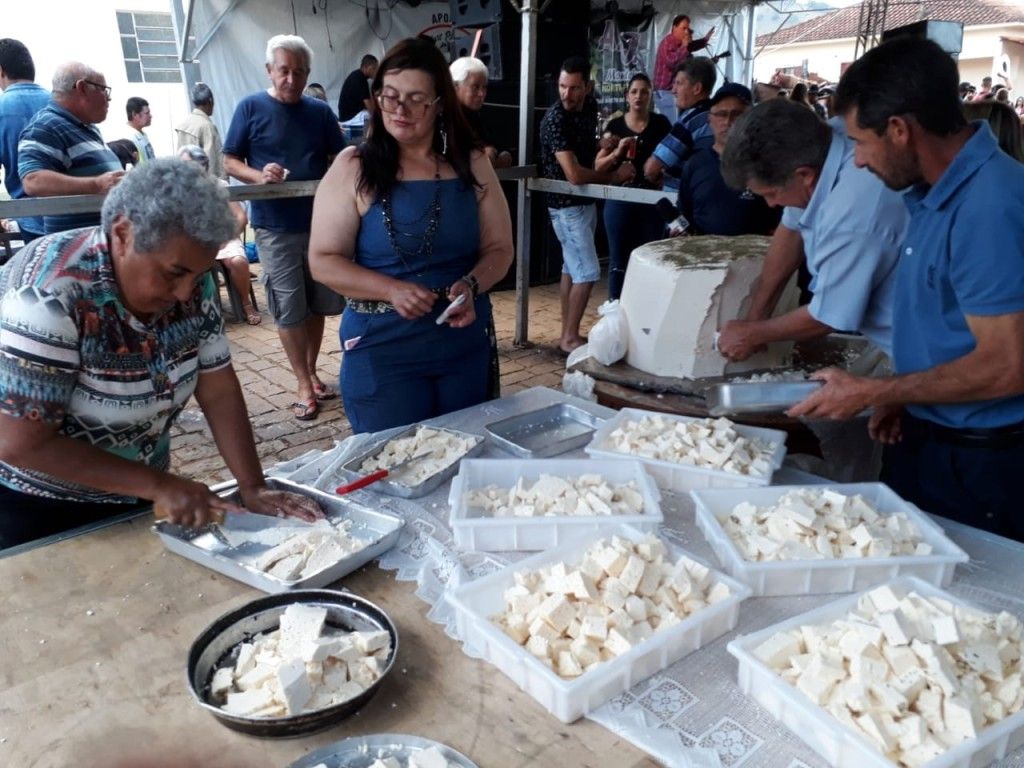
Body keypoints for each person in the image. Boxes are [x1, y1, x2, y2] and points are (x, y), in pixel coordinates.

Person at [0, 158, 322, 550]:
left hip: (136, 484)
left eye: (199, 276)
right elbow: (20, 442)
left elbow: (217, 387)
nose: (187, 293)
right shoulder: (48, 293)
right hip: (39, 505)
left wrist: (252, 485)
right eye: (173, 274)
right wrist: (159, 485)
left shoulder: (191, 282)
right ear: (122, 235)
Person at [788, 37, 1024, 542]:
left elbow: (1008, 364)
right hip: (931, 435)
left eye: (859, 143)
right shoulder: (932, 192)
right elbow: (947, 326)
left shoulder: (989, 205)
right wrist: (906, 394)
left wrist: (879, 390)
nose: (855, 162)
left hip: (984, 462)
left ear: (898, 131)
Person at [308, 37, 513, 433]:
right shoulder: (354, 166)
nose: (400, 109)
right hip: (382, 347)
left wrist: (472, 283)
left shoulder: (470, 164)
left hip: (462, 341)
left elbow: (500, 248)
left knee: (466, 454)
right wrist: (391, 290)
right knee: (392, 465)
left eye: (416, 98)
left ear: (439, 105)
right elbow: (323, 260)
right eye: (390, 96)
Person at [716, 98, 908, 361]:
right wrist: (757, 313)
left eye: (771, 194)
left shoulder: (851, 216)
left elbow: (827, 314)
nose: (771, 204)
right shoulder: (821, 142)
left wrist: (754, 333)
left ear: (804, 176)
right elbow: (791, 228)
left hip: (929, 351)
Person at [223, 34, 346, 421]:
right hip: (274, 228)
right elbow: (229, 160)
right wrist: (258, 176)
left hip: (321, 224)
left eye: (299, 72)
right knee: (289, 307)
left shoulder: (320, 112)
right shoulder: (250, 107)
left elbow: (341, 156)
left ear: (308, 73)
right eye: (283, 71)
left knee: (318, 303)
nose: (291, 79)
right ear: (269, 71)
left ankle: (310, 372)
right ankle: (302, 383)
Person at [539, 56, 635, 353]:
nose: (567, 94)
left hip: (583, 205)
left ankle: (567, 332)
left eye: (574, 88)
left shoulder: (590, 107)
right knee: (588, 271)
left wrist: (603, 144)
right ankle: (569, 338)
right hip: (565, 206)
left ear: (587, 87)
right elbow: (574, 174)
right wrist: (614, 177)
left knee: (572, 268)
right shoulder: (554, 119)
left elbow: (583, 149)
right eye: (562, 87)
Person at [17, 61, 124, 234]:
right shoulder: (46, 126)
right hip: (78, 252)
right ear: (82, 88)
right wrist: (96, 184)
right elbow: (33, 180)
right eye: (104, 90)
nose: (108, 98)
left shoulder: (87, 128)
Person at [594, 72, 670, 299]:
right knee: (618, 260)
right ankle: (615, 311)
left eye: (644, 91)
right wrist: (617, 157)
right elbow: (598, 167)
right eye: (634, 91)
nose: (639, 96)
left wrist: (661, 174)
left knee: (651, 258)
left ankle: (646, 310)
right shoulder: (615, 125)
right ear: (627, 96)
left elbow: (672, 161)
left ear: (650, 96)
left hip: (652, 202)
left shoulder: (661, 124)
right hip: (620, 199)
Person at [676, 83, 779, 236]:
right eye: (721, 114)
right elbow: (684, 214)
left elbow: (782, 222)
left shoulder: (766, 165)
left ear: (751, 118)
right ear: (710, 119)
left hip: (753, 256)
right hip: (701, 256)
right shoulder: (695, 164)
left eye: (737, 114)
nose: (728, 121)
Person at [178, 144, 261, 324]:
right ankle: (196, 310)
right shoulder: (179, 191)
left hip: (224, 236)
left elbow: (240, 217)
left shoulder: (220, 185)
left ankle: (246, 304)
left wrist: (226, 238)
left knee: (238, 261)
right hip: (196, 242)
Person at [0, 38, 50, 242]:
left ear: (1, 70)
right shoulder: (61, 103)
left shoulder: (2, 109)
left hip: (33, 224)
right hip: (79, 222)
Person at [643, 56, 716, 192]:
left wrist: (658, 176)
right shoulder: (717, 116)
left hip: (682, 202)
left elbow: (651, 169)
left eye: (679, 83)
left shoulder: (690, 121)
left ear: (697, 88)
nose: (673, 90)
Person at [450, 56, 512, 168]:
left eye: (484, 87)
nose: (481, 93)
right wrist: (481, 156)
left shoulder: (474, 115)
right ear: (455, 86)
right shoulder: (443, 118)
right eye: (475, 87)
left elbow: (494, 146)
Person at [652, 14, 714, 120]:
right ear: (674, 28)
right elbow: (671, 62)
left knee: (680, 119)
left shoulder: (681, 43)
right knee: (672, 122)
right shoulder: (667, 42)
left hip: (674, 90)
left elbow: (692, 46)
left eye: (687, 28)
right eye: (683, 28)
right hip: (665, 91)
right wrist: (684, 46)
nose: (686, 32)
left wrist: (704, 40)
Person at [175, 82, 224, 179]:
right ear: (210, 101)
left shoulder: (183, 125)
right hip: (204, 184)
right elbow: (211, 162)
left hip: (187, 182)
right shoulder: (207, 126)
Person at [338, 54, 378, 122]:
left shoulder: (357, 75)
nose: (376, 71)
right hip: (350, 117)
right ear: (366, 67)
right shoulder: (360, 78)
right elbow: (368, 104)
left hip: (348, 116)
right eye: (374, 68)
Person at [124, 97, 155, 163]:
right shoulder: (130, 139)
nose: (150, 116)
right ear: (134, 114)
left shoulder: (141, 134)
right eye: (147, 113)